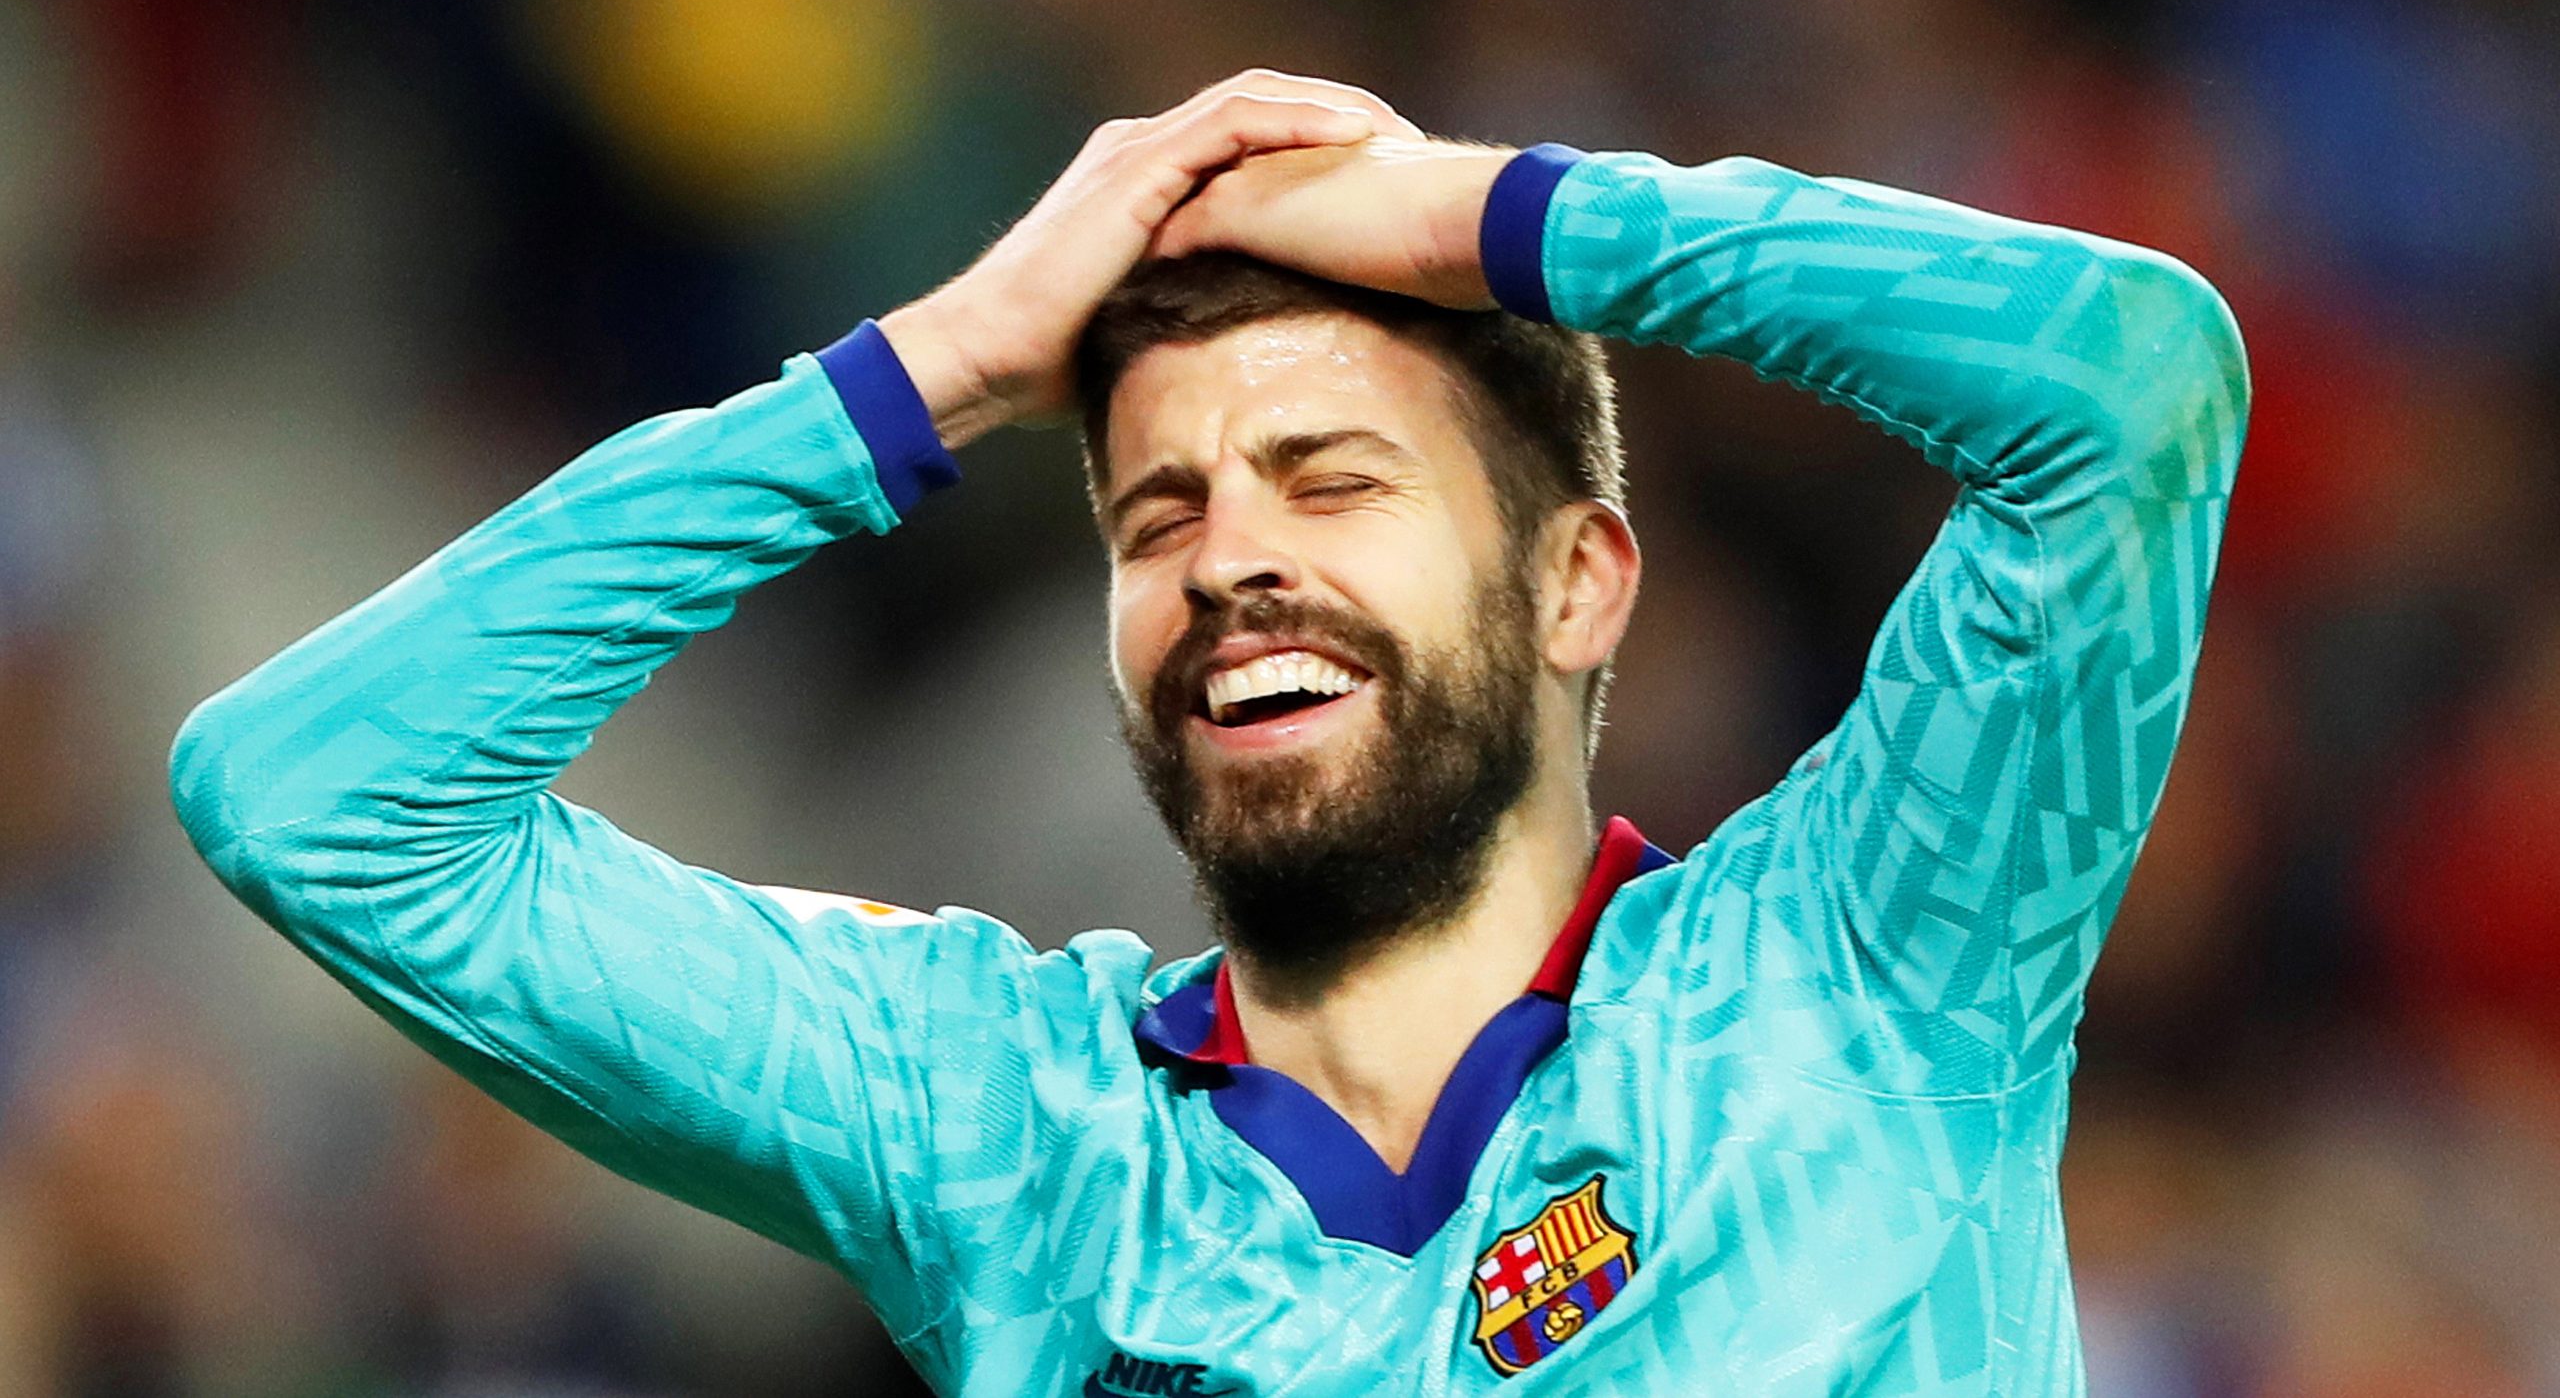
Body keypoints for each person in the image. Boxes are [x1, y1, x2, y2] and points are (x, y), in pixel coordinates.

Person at [171, 71, 2248, 1395]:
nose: (1231, 555)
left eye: (1331, 479)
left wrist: (1488, 222)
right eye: (1157, 517)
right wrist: (935, 370)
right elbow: (317, 800)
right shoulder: (1004, 1133)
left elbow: (2129, 389)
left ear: (1576, 582)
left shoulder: (1865, 961)